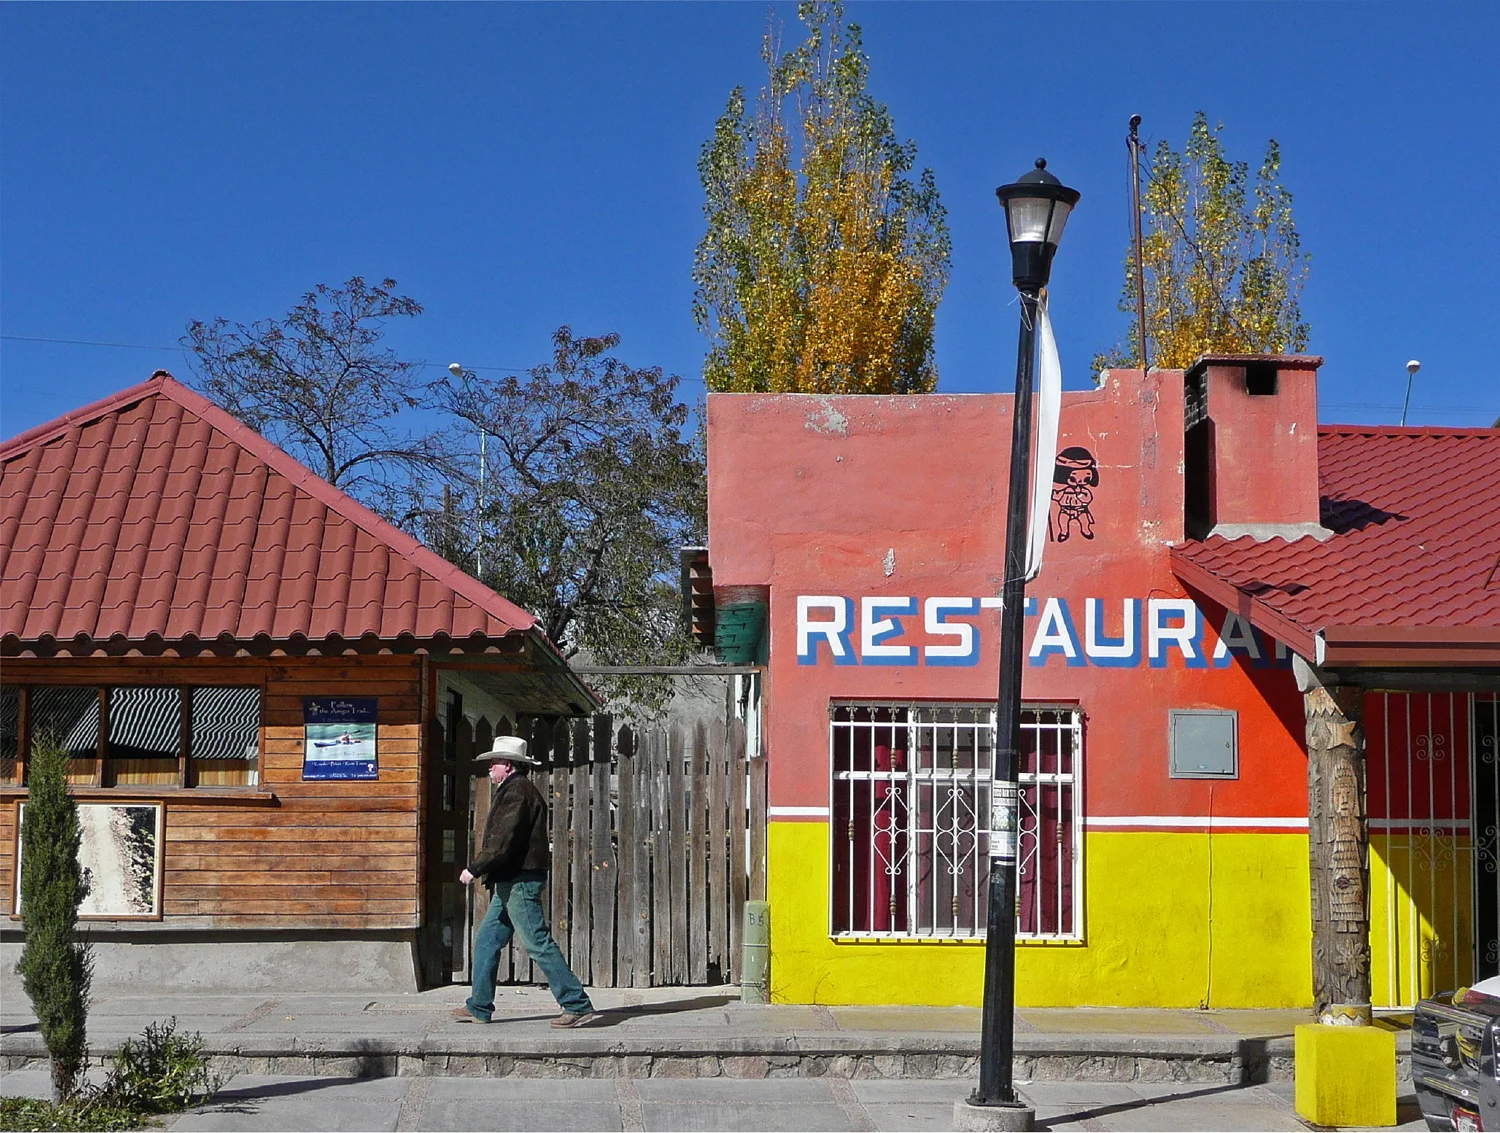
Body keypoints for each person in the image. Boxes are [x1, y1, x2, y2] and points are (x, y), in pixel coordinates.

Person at [452, 735, 597, 1027]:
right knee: (486, 942)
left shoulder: (517, 791)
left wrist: (475, 868)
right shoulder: (514, 789)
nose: (489, 769)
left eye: (493, 763)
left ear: (506, 764)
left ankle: (576, 1003)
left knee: (536, 942)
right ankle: (479, 1005)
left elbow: (502, 839)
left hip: (519, 881)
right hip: (509, 881)